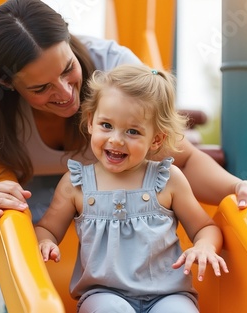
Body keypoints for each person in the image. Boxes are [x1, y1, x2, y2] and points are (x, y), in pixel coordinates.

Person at [0, 0, 247, 262]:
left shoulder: (113, 70)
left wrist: (240, 188)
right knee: (9, 223)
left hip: (123, 224)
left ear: (69, 40)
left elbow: (182, 160)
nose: (66, 93)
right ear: (6, 83)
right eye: (42, 87)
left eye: (67, 69)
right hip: (42, 228)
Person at [35, 64, 229, 313]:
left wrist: (204, 246)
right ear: (90, 122)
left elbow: (205, 227)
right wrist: (45, 242)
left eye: (133, 131)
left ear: (156, 139)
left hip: (168, 293)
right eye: (106, 125)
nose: (116, 139)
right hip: (102, 293)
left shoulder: (167, 179)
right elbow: (47, 228)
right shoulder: (76, 184)